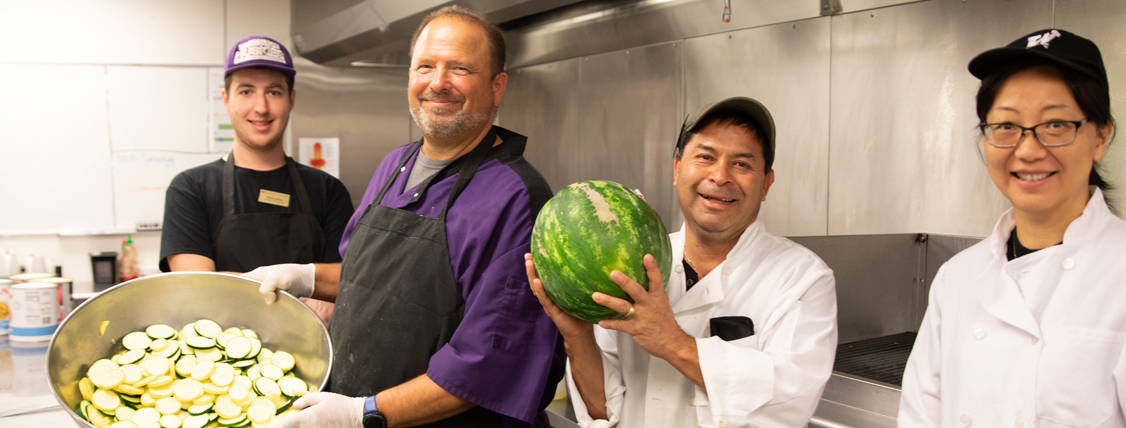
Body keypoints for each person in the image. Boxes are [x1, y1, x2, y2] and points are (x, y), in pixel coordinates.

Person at [256, 6, 564, 428]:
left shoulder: (517, 199)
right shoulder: (394, 165)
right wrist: (305, 276)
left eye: (459, 68)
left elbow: (487, 362)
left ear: (497, 86)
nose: (438, 82)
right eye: (426, 66)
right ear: (410, 77)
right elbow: (372, 278)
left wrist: (360, 412)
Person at [526, 97, 838, 427]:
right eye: (705, 156)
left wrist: (673, 342)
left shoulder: (802, 279)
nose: (720, 176)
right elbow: (603, 411)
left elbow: (788, 404)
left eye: (742, 164)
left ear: (766, 184)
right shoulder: (633, 265)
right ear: (677, 168)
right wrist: (578, 336)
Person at [899, 29, 1124, 427]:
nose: (1028, 149)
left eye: (1056, 124)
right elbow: (920, 415)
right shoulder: (958, 277)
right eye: (1005, 126)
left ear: (1100, 136)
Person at [159, 36, 353, 275]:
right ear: (226, 99)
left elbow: (342, 282)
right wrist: (299, 286)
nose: (261, 107)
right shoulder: (190, 188)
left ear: (291, 100)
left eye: (273, 92)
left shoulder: (328, 190)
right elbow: (198, 285)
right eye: (246, 91)